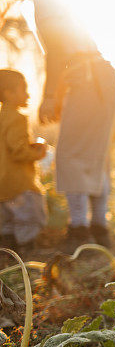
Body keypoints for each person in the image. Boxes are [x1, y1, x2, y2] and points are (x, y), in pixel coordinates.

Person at [0, 0, 115, 251]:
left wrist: (50, 94)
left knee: (70, 155)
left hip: (87, 77)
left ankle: (79, 229)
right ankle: (98, 227)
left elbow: (56, 50)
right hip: (99, 76)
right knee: (96, 154)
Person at [0, 69, 48, 252]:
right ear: (8, 93)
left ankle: (8, 256)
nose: (28, 94)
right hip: (19, 183)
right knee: (29, 219)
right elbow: (18, 151)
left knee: (7, 225)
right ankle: (26, 256)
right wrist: (37, 152)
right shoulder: (17, 118)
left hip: (2, 185)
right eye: (23, 89)